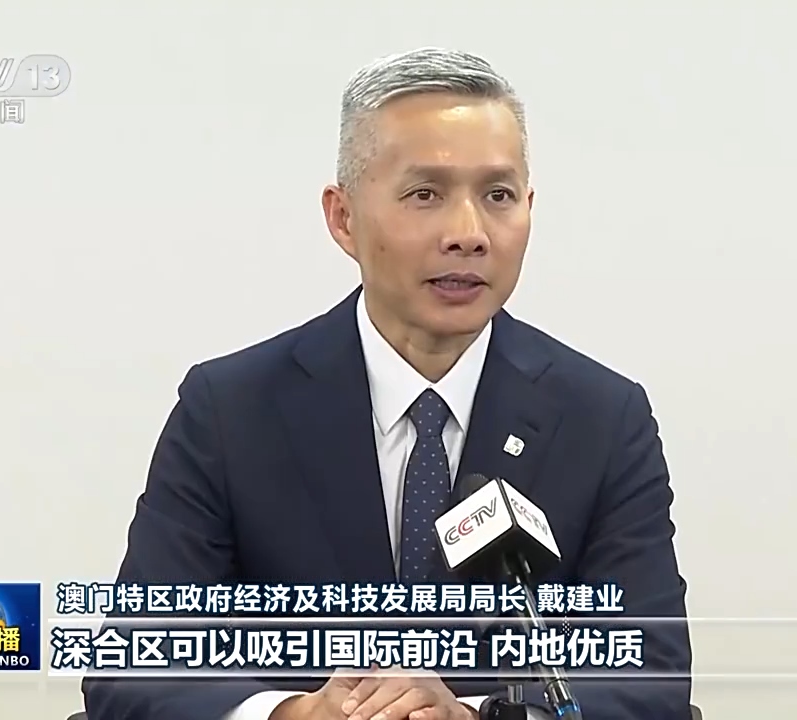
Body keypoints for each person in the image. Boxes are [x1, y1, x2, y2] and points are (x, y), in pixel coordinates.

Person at [83, 47, 692, 720]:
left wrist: (475, 716)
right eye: (425, 195)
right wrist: (294, 714)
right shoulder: (231, 410)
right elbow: (131, 671)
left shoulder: (603, 418)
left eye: (497, 196)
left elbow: (652, 682)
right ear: (343, 218)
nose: (468, 234)